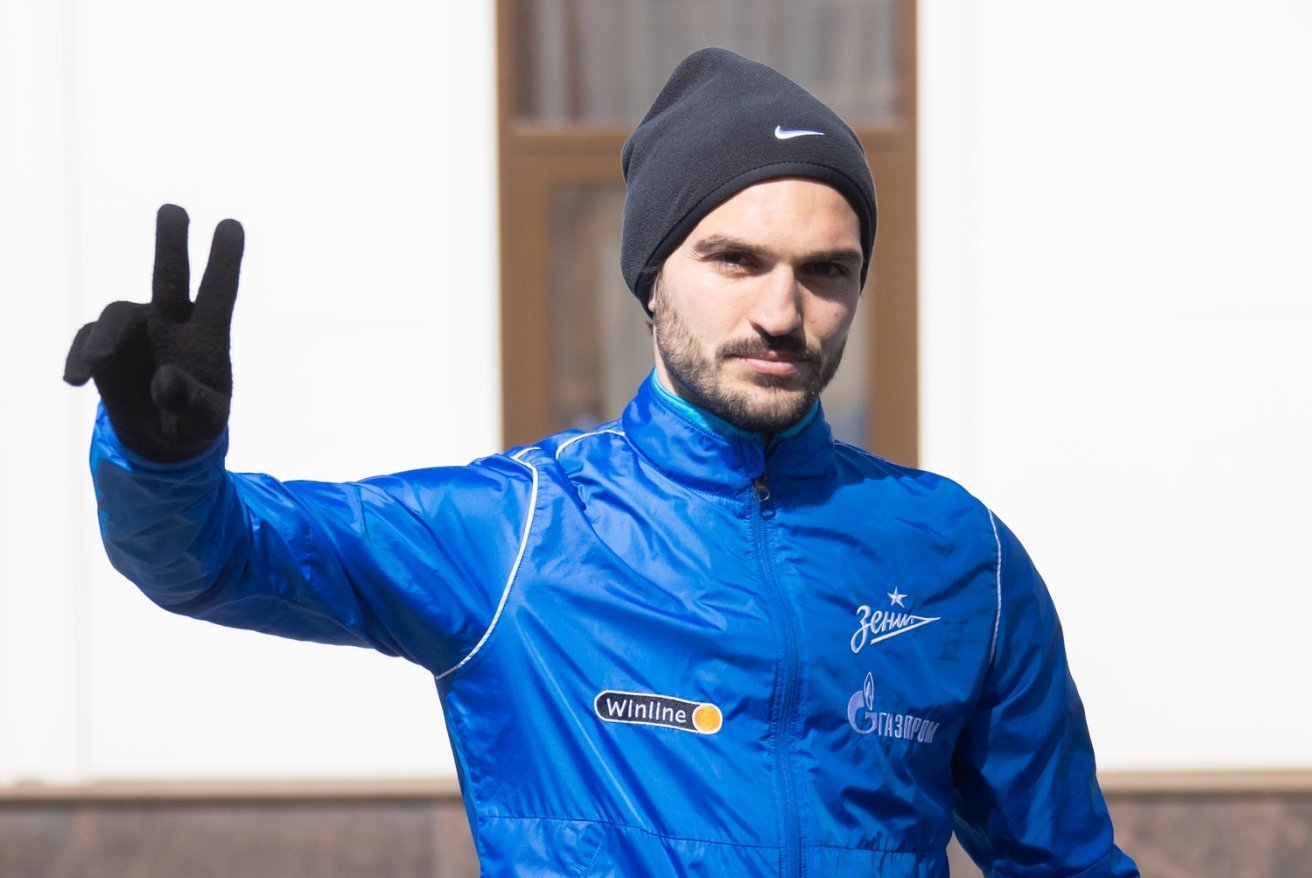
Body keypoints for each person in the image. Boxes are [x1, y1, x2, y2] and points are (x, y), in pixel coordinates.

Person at [64, 48, 1138, 877]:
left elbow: (1065, 861)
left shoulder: (957, 553)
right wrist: (165, 461)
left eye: (826, 270)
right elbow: (217, 555)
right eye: (734, 259)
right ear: (651, 276)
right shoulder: (517, 534)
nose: (782, 311)